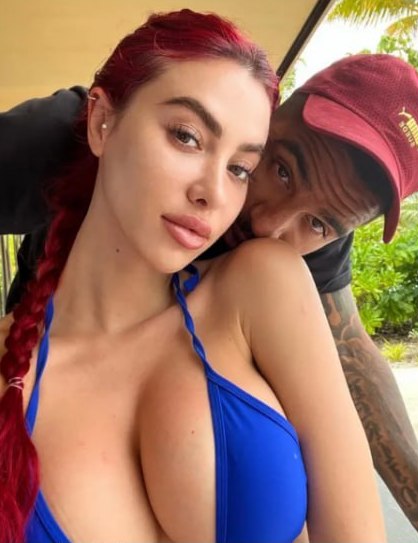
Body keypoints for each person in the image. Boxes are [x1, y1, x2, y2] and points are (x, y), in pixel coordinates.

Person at [0, 9, 387, 543]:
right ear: (101, 121)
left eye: (240, 169)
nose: (214, 193)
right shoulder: (36, 142)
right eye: (187, 136)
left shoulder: (265, 277)